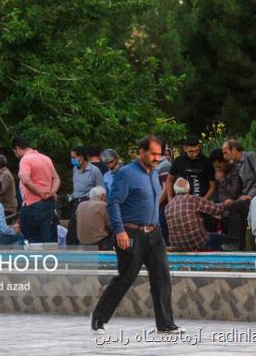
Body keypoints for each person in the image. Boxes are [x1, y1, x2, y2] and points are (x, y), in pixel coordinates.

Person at [92, 135, 181, 335]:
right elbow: (113, 203)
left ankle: (166, 323)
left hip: (154, 233)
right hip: (132, 232)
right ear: (141, 152)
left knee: (162, 276)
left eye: (159, 154)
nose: (157, 157)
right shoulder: (126, 174)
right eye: (153, 153)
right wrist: (120, 231)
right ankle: (99, 317)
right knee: (126, 277)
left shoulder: (155, 173)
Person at [11, 137, 60, 243]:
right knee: (47, 239)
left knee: (33, 240)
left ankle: (36, 259)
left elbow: (26, 180)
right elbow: (56, 177)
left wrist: (40, 194)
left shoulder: (25, 160)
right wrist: (52, 191)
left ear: (17, 148)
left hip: (32, 205)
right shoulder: (46, 158)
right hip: (49, 203)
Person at [221, 139, 256, 250]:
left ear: (234, 150)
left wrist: (250, 195)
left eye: (225, 152)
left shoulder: (251, 157)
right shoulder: (236, 165)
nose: (224, 156)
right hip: (245, 197)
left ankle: (235, 242)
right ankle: (239, 244)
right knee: (227, 209)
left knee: (235, 207)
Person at [165, 178, 226, 251]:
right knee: (224, 239)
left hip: (177, 245)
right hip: (197, 243)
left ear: (175, 191)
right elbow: (215, 209)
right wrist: (227, 204)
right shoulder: (193, 199)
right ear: (189, 189)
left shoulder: (168, 206)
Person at [67, 146, 104, 245]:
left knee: (85, 229)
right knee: (72, 231)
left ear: (81, 157)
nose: (72, 160)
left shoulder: (94, 171)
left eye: (74, 157)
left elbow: (100, 189)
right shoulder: (75, 169)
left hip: (88, 203)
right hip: (76, 202)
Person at [165, 136, 216, 201]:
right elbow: (169, 180)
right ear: (185, 149)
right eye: (191, 151)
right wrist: (170, 199)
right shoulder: (179, 161)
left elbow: (213, 186)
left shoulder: (206, 162)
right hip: (183, 202)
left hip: (201, 203)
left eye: (197, 150)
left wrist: (203, 201)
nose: (195, 154)